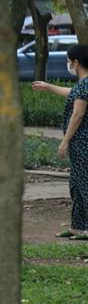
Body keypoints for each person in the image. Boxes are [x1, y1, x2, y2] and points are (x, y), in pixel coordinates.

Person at [32, 44, 88, 240]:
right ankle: (77, 227)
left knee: (85, 183)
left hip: (83, 142)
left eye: (69, 61)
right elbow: (72, 93)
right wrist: (48, 87)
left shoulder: (86, 84)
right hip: (78, 143)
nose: (68, 64)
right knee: (76, 184)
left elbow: (78, 114)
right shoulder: (83, 84)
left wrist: (64, 141)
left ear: (76, 62)